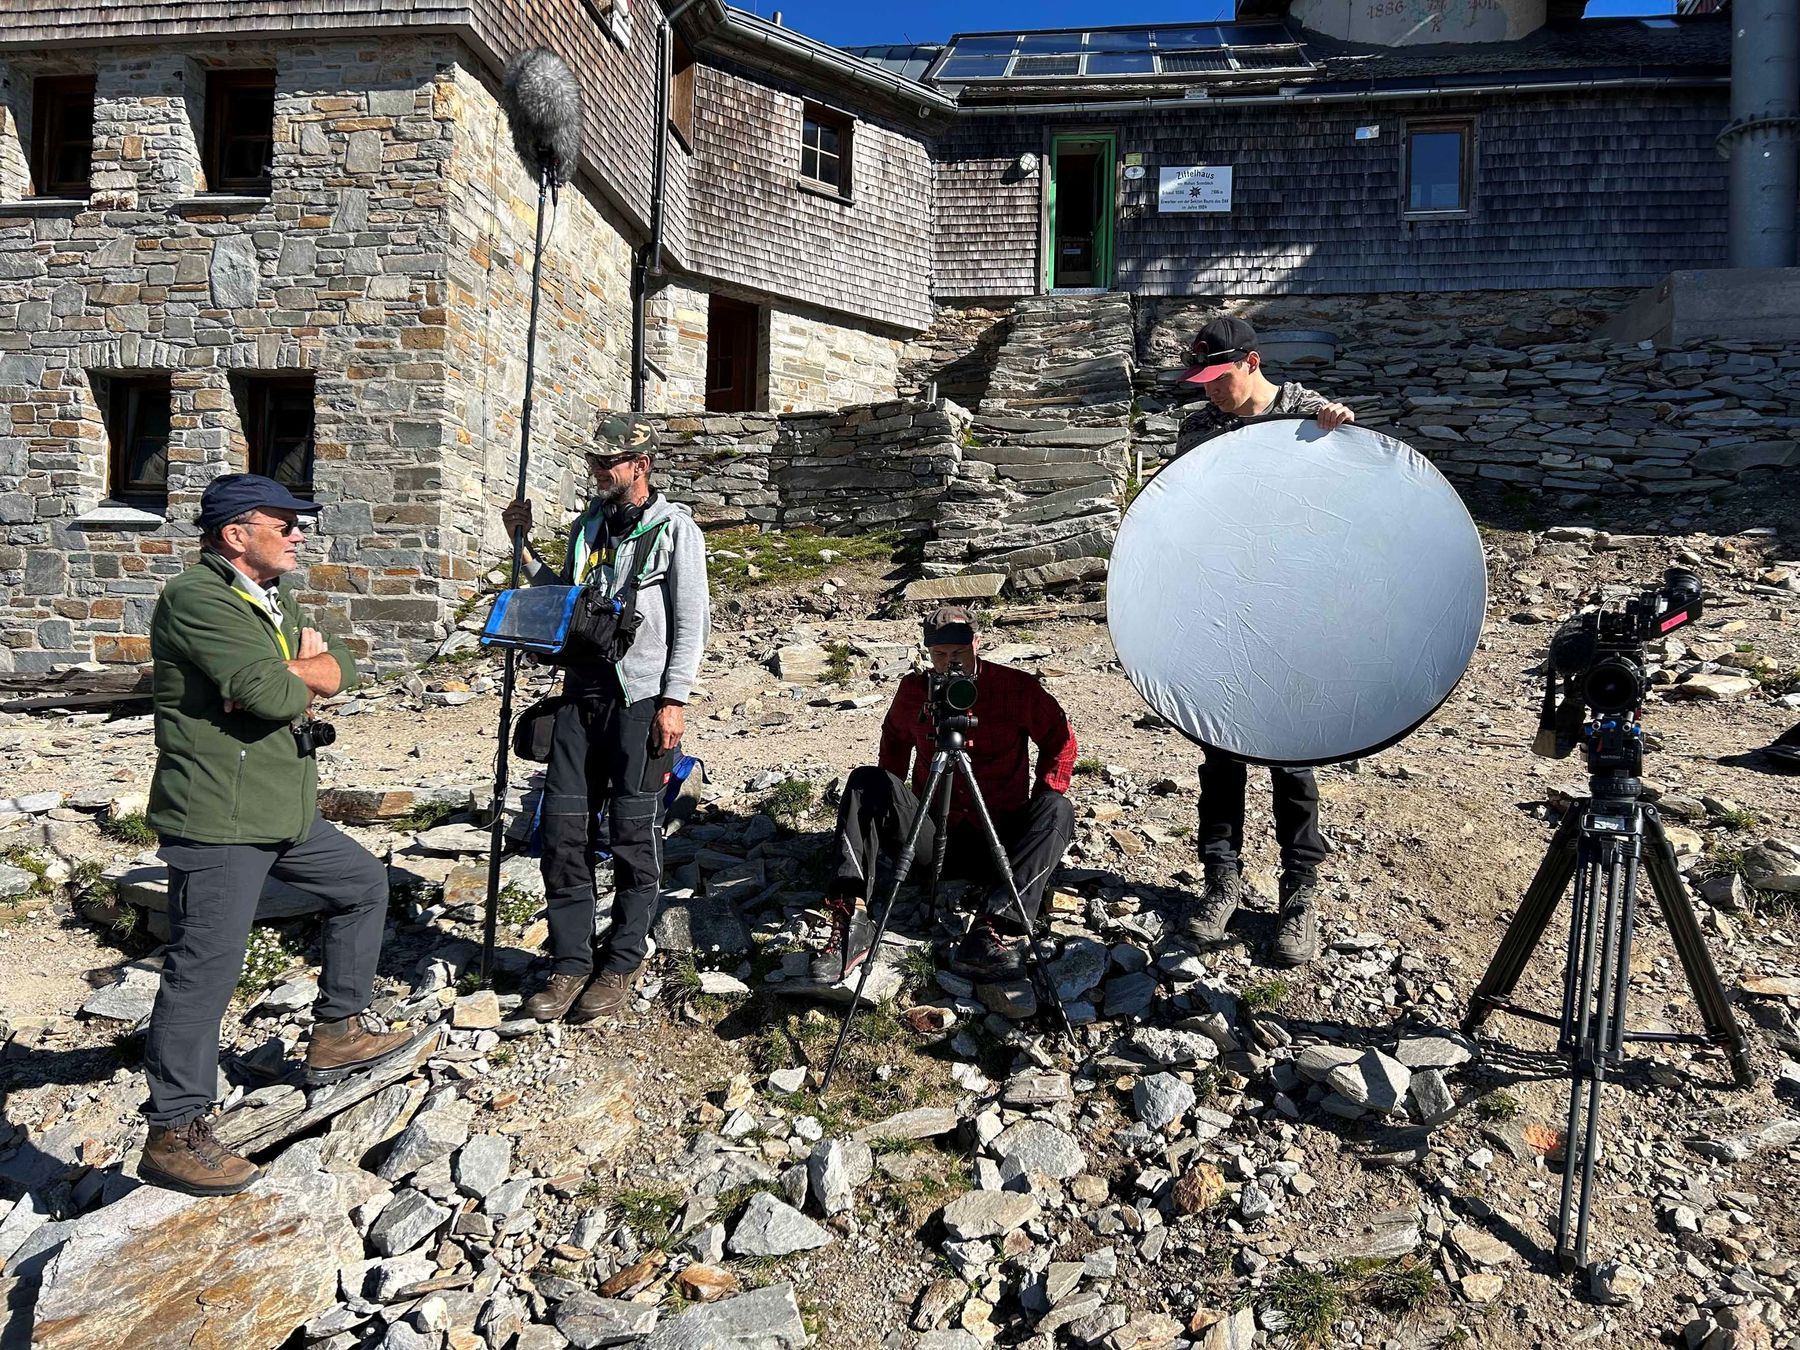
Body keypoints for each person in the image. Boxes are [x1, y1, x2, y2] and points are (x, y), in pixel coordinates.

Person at [140, 473, 414, 1197]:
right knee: (204, 968)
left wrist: (305, 669)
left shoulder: (269, 596)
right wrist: (294, 672)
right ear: (236, 534)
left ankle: (337, 1031)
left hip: (281, 809)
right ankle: (173, 1131)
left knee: (360, 885)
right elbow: (265, 693)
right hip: (220, 817)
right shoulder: (195, 598)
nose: (298, 535)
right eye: (283, 523)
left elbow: (337, 665)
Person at [501, 412, 710, 1024]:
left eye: (605, 464)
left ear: (638, 466)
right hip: (579, 694)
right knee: (563, 829)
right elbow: (564, 600)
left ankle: (620, 961)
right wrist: (523, 548)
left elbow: (691, 624)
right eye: (593, 463)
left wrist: (674, 701)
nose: (595, 473)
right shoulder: (586, 527)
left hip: (641, 698)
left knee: (631, 830)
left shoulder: (676, 530)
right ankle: (569, 963)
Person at [1172, 317, 1356, 967]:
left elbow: (1351, 502)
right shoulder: (1198, 429)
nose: (1208, 392)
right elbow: (1182, 513)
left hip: (1293, 613)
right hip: (1225, 611)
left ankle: (1299, 895)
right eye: (1200, 382)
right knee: (1220, 754)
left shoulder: (1308, 417)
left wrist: (1341, 436)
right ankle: (1221, 880)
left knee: (1291, 756)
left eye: (1217, 379)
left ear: (1251, 362)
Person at [814, 605, 1077, 984]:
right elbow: (893, 746)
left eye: (958, 654)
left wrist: (1044, 793)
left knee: (1057, 809)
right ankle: (852, 915)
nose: (949, 663)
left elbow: (1061, 738)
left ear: (977, 644)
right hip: (932, 836)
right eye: (939, 655)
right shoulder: (914, 691)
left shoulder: (1015, 688)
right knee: (865, 781)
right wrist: (886, 807)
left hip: (999, 840)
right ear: (927, 652)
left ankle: (994, 929)